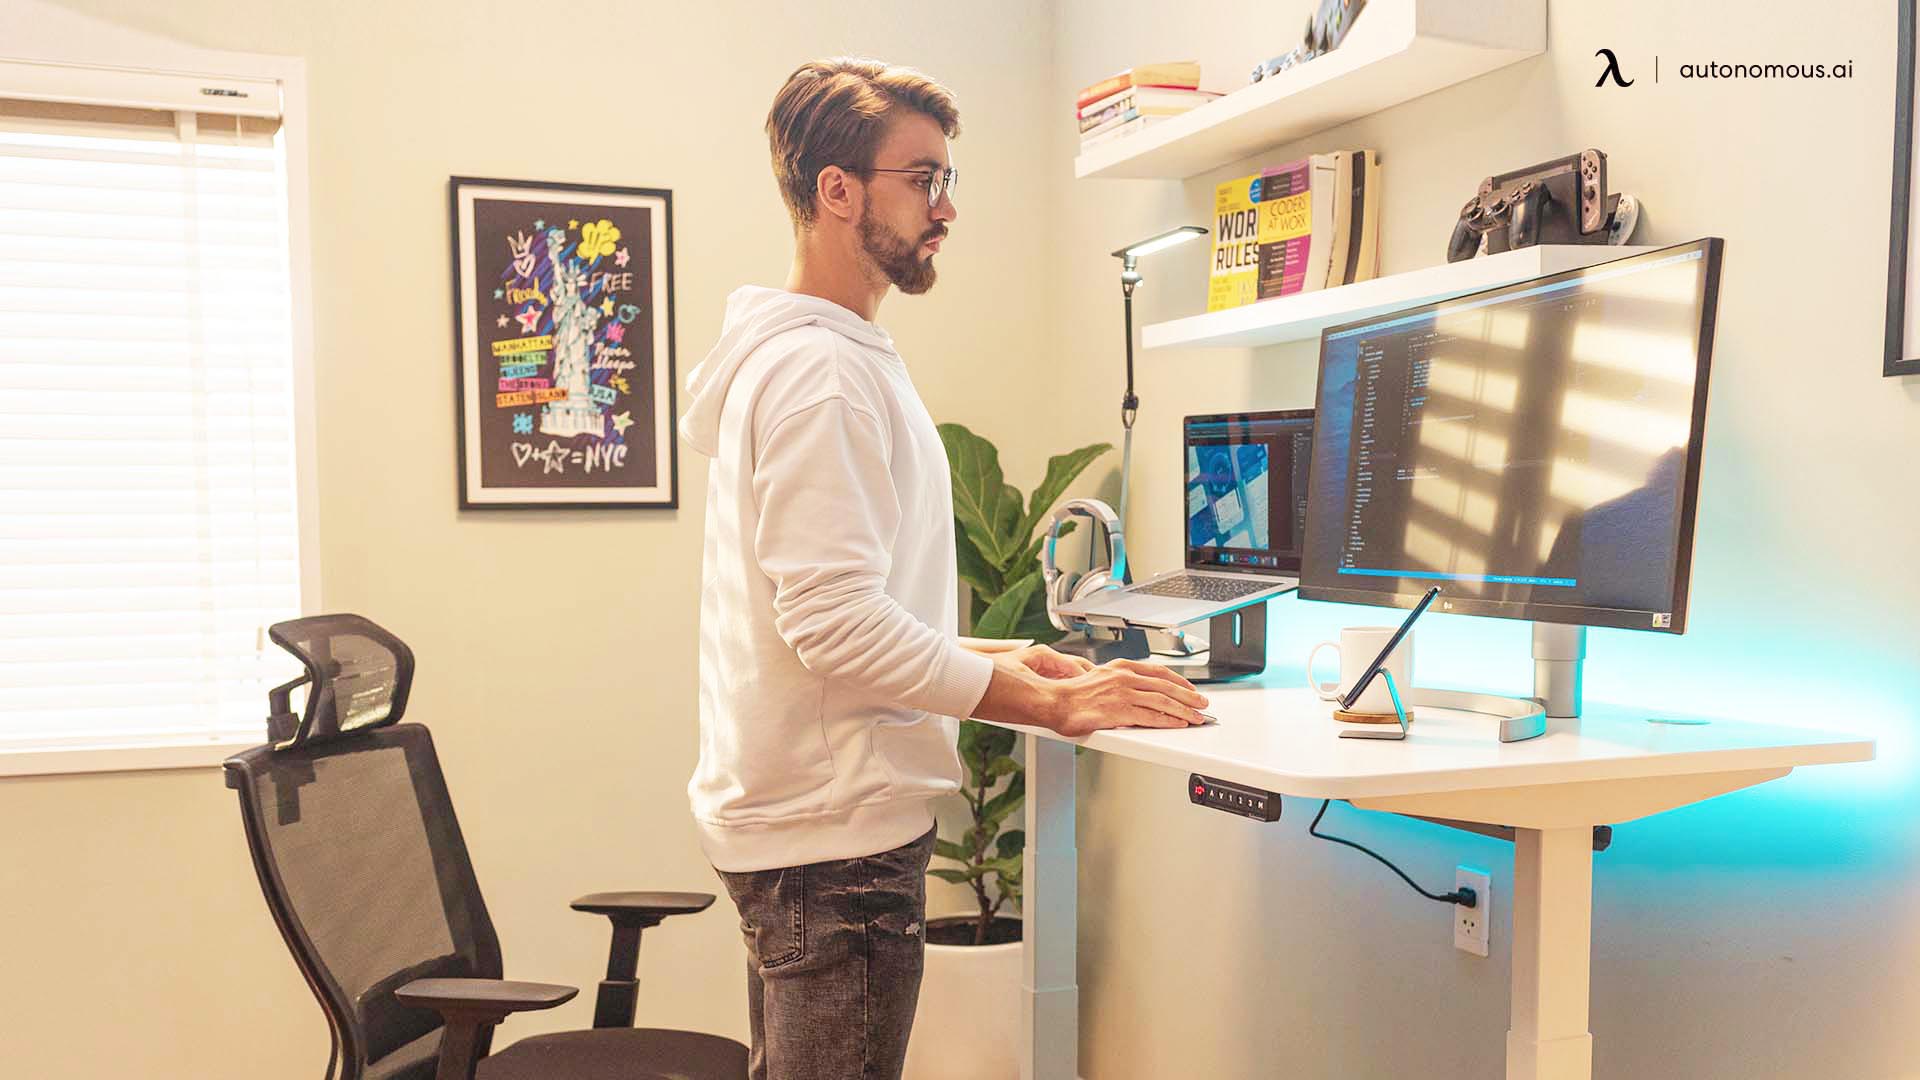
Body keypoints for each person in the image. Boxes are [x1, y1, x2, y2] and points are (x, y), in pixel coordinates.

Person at [676, 56, 1210, 1080]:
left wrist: (1005, 658)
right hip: (833, 849)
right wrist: (1048, 707)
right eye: (924, 179)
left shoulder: (823, 353)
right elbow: (833, 626)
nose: (948, 206)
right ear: (837, 190)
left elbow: (834, 615)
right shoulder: (820, 373)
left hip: (805, 828)